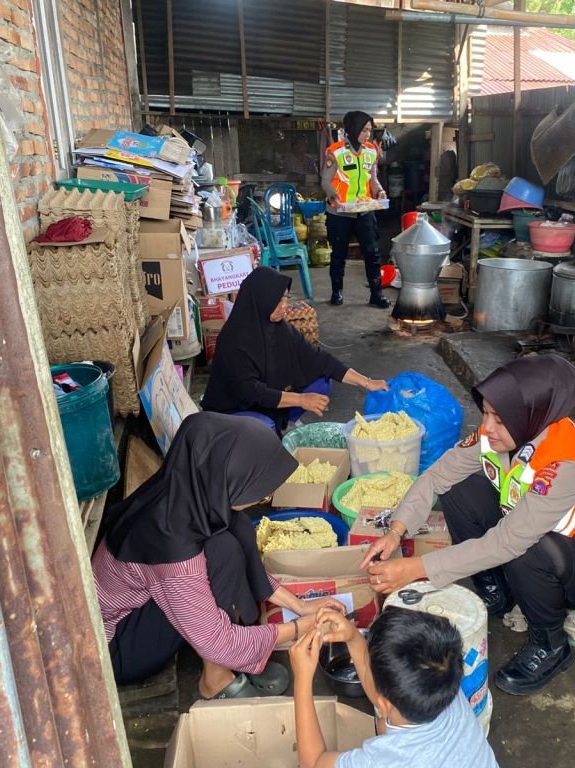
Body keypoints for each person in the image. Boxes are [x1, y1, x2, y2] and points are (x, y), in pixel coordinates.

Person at [360, 354, 575, 696]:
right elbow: (437, 476)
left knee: (530, 548)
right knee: (460, 487)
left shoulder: (568, 466)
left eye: (499, 417)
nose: (487, 427)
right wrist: (396, 531)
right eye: (486, 413)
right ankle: (498, 591)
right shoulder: (504, 434)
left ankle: (550, 644)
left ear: (531, 416)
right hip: (554, 545)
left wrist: (418, 568)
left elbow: (509, 542)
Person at [93, 413, 345, 700]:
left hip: (145, 604)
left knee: (229, 534)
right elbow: (217, 642)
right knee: (222, 549)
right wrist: (300, 627)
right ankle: (215, 678)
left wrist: (300, 606)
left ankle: (243, 652)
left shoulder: (182, 494)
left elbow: (247, 569)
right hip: (119, 644)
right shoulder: (174, 553)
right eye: (260, 490)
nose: (266, 496)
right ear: (225, 478)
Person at [289, 606, 499, 768]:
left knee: (383, 725)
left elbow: (314, 762)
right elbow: (383, 697)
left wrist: (303, 680)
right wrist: (353, 637)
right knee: (384, 724)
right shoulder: (443, 682)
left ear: (383, 702)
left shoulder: (382, 760)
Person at [201, 267, 388, 434]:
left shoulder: (278, 327)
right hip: (235, 409)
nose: (285, 306)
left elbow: (319, 359)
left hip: (268, 398)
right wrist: (301, 400)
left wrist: (367, 382)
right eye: (277, 300)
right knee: (263, 427)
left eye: (286, 298)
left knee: (322, 381)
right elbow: (251, 393)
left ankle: (283, 421)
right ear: (261, 300)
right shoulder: (235, 341)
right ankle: (266, 430)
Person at [322, 111, 390, 308]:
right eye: (364, 130)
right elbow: (326, 181)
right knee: (338, 254)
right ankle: (337, 292)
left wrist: (380, 192)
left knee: (372, 252)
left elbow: (373, 179)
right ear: (352, 129)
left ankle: (376, 294)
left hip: (364, 209)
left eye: (369, 130)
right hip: (339, 212)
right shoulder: (335, 151)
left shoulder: (371, 151)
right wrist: (333, 196)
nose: (367, 134)